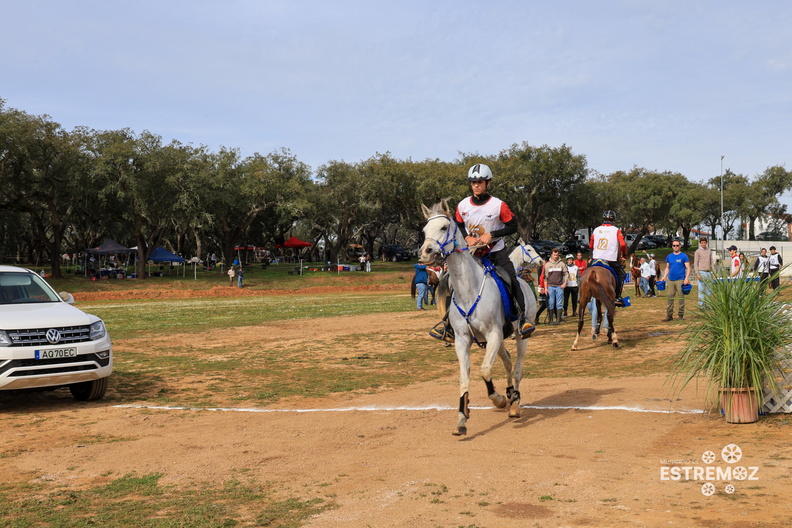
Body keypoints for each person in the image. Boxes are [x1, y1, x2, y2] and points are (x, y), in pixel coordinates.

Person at [443, 163, 533, 337]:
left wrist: (492, 234)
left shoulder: (498, 205)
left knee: (511, 280)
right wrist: (466, 237)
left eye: (480, 182)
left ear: (488, 183)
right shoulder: (462, 206)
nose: (476, 185)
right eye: (473, 182)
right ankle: (448, 324)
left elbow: (513, 226)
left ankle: (522, 320)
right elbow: (459, 225)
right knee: (452, 283)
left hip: (496, 253)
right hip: (472, 255)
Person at [589, 210, 627, 306]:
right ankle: (617, 297)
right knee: (622, 274)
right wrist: (624, 255)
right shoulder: (616, 230)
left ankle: (582, 292)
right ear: (613, 220)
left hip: (595, 259)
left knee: (586, 273)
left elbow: (590, 245)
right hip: (609, 260)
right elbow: (623, 244)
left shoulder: (596, 229)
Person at [661, 240, 691, 321]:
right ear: (672, 246)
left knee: (681, 298)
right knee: (670, 297)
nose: (675, 247)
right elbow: (667, 268)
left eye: (677, 245)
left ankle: (680, 315)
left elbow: (688, 268)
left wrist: (686, 278)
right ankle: (669, 315)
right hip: (671, 280)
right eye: (674, 245)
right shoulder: (669, 256)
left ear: (680, 246)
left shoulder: (684, 256)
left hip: (680, 280)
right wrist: (664, 276)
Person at [544, 248, 568, 325]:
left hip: (559, 287)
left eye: (557, 255)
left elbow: (566, 274)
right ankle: (551, 320)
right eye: (554, 255)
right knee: (551, 303)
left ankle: (558, 320)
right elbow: (545, 278)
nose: (555, 256)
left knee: (559, 303)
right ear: (551, 254)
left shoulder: (562, 264)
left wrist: (565, 283)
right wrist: (545, 288)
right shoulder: (547, 265)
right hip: (550, 287)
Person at [693, 237, 715, 307]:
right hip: (701, 271)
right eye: (702, 243)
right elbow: (695, 263)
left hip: (708, 272)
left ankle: (708, 304)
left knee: (709, 289)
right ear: (700, 243)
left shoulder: (709, 251)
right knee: (701, 289)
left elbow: (711, 262)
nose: (703, 244)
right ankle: (701, 305)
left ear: (706, 243)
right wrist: (697, 274)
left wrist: (713, 272)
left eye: (704, 243)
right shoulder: (697, 252)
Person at [563, 254, 579, 318]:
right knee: (566, 300)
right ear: (567, 261)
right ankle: (565, 311)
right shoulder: (565, 267)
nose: (570, 261)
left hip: (574, 285)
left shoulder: (576, 267)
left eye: (571, 260)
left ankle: (574, 311)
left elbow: (578, 276)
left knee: (574, 300)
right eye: (569, 260)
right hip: (567, 286)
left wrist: (578, 285)